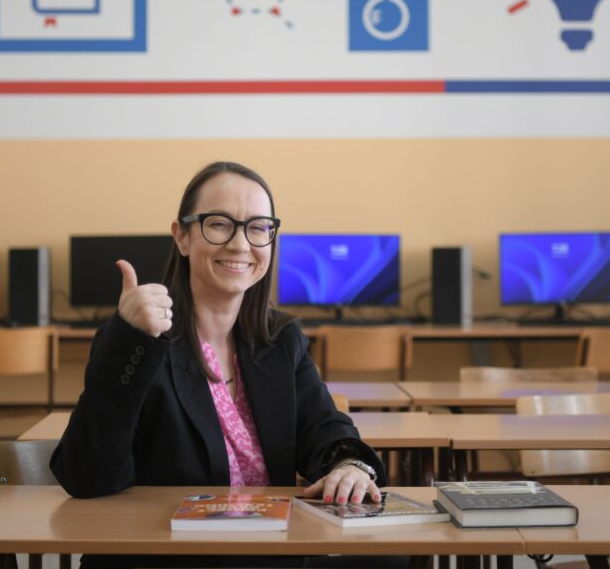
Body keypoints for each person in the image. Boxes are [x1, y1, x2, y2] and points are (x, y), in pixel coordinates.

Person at [51, 161, 389, 569]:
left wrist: (350, 466)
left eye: (258, 227)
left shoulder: (282, 339)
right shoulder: (140, 341)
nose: (240, 244)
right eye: (219, 224)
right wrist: (129, 340)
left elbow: (324, 427)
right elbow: (86, 477)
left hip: (269, 556)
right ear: (181, 236)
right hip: (171, 560)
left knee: (398, 560)